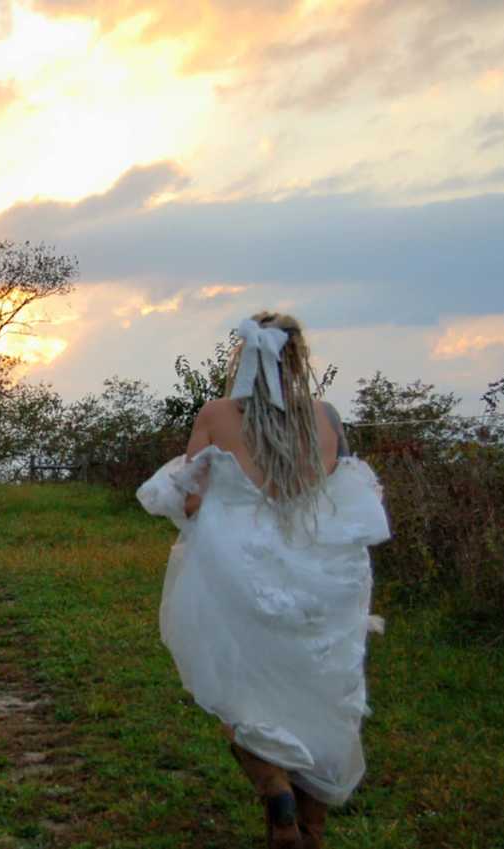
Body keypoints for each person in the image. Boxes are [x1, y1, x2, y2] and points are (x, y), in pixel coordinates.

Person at [137, 312, 390, 849]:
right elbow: (342, 496)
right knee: (321, 698)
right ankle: (313, 827)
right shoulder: (326, 417)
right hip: (321, 578)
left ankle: (275, 792)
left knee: (240, 695)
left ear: (243, 357)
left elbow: (190, 495)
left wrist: (212, 502)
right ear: (298, 359)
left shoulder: (216, 414)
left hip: (242, 572)